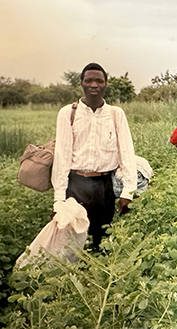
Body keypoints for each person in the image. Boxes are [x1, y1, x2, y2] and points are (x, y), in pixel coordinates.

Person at [52, 62, 137, 252]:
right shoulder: (68, 113)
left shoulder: (116, 114)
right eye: (88, 80)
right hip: (75, 186)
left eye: (99, 80)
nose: (94, 85)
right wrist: (59, 199)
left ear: (106, 84)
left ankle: (99, 276)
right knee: (73, 243)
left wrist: (127, 192)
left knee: (102, 240)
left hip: (104, 186)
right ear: (81, 83)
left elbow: (127, 153)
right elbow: (62, 157)